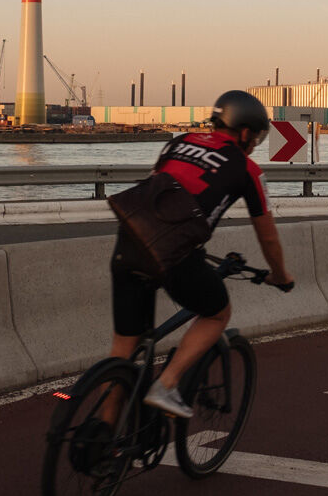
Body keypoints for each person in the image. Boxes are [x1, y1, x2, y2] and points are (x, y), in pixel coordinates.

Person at [109, 89, 294, 417]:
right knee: (217, 313)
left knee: (123, 349)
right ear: (246, 133)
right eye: (256, 138)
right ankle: (165, 386)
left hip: (129, 240)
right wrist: (280, 275)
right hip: (173, 252)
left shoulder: (180, 141)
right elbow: (268, 237)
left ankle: (103, 433)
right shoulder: (246, 168)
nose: (254, 145)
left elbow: (162, 192)